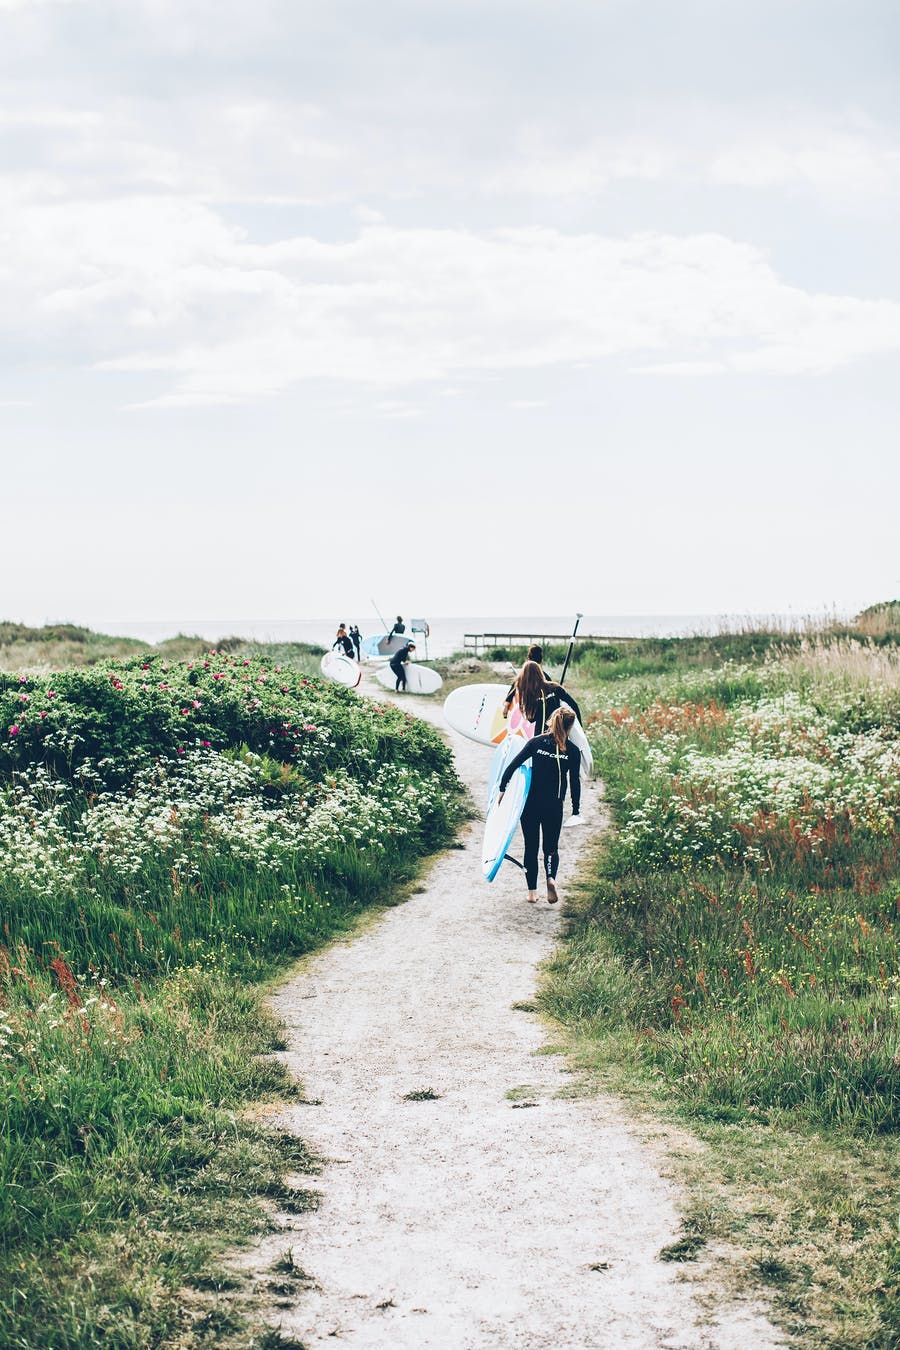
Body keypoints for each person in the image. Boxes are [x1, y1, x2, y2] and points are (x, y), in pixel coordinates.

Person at [499, 706, 581, 904]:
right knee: (551, 848)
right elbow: (575, 782)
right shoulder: (572, 751)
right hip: (554, 805)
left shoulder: (536, 742)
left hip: (531, 804)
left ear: (552, 721)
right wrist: (576, 809)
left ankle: (532, 893)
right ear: (570, 727)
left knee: (531, 847)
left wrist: (502, 789)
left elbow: (513, 764)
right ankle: (551, 878)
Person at [502, 659, 582, 734]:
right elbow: (574, 705)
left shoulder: (530, 696)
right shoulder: (555, 687)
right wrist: (580, 727)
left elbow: (531, 719)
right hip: (559, 732)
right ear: (540, 673)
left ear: (524, 678)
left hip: (540, 735)